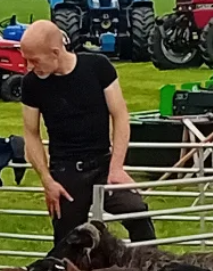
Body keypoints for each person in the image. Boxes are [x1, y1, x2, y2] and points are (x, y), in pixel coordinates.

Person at [18, 19, 155, 250]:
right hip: (66, 172)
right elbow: (31, 133)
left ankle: (152, 270)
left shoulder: (97, 67)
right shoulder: (32, 84)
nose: (29, 67)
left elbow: (120, 115)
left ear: (55, 51)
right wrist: (47, 181)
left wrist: (117, 167)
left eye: (34, 60)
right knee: (67, 241)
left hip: (103, 165)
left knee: (137, 212)